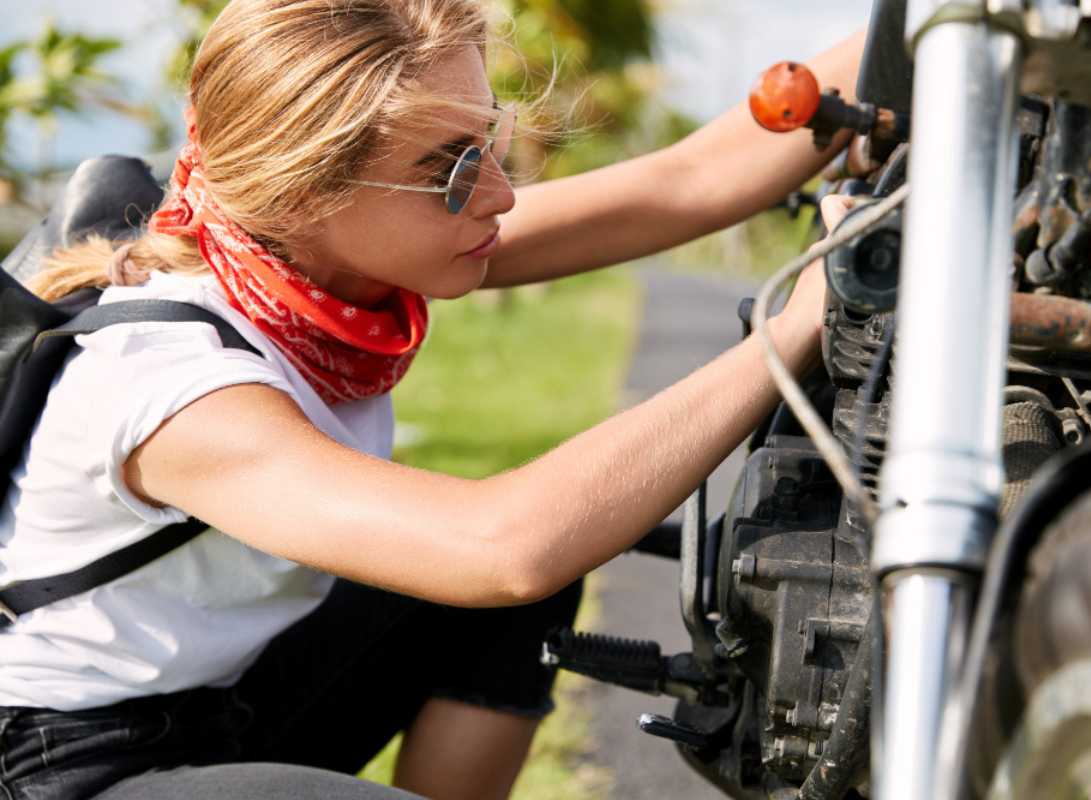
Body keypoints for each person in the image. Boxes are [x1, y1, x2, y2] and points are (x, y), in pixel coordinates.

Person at [0, 1, 865, 798]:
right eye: (450, 170)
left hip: (226, 701)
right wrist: (786, 338)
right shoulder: (169, 379)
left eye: (486, 141)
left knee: (513, 598)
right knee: (523, 559)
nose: (499, 192)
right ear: (305, 189)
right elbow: (502, 546)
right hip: (63, 764)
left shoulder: (337, 253)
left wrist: (949, 27)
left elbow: (687, 181)